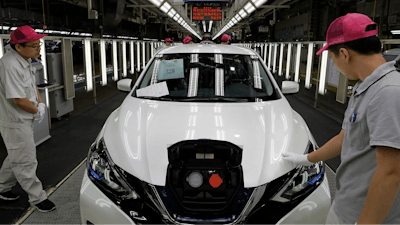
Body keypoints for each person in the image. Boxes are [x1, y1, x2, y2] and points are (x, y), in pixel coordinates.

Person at [282, 13, 400, 225]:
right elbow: (346, 136)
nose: (334, 64)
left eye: (332, 57)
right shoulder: (365, 88)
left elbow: (391, 172)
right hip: (347, 206)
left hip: (368, 216)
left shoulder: (388, 92)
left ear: (344, 54)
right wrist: (307, 159)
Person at [0, 25, 56, 212]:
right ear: (18, 47)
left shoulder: (25, 60)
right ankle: (37, 197)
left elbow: (32, 87)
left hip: (24, 117)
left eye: (39, 44)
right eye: (34, 46)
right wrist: (36, 110)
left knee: (16, 156)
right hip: (15, 121)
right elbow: (18, 100)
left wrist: (40, 104)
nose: (39, 48)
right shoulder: (10, 66)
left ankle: (1, 188)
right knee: (26, 160)